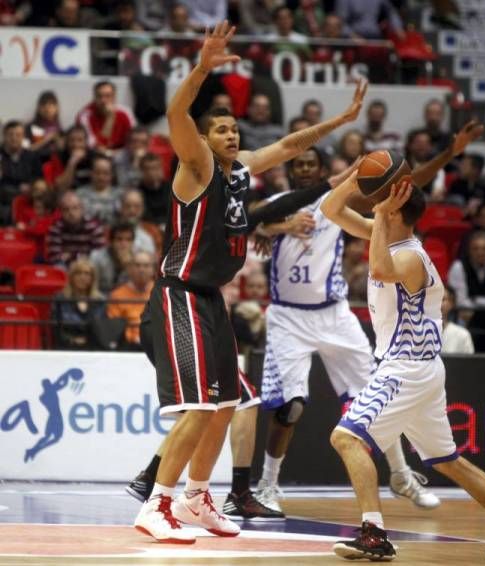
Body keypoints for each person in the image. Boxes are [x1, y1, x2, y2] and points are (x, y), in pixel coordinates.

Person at [132, 20, 368, 543]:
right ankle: (157, 503)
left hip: (212, 299)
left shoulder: (239, 170)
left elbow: (287, 145)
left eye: (235, 129)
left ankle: (196, 497)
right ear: (202, 138)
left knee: (227, 405)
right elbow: (176, 114)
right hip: (181, 295)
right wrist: (201, 68)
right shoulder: (194, 166)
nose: (232, 134)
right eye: (221, 129)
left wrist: (342, 119)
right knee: (197, 407)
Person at [320, 176, 485, 561]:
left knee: (346, 438)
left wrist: (378, 210)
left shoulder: (408, 256)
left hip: (405, 368)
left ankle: (373, 533)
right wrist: (359, 177)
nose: (375, 206)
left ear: (396, 212)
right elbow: (331, 210)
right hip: (421, 369)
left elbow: (377, 269)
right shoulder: (387, 237)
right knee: (450, 462)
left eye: (383, 204)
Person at [256, 147, 441, 516]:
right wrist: (279, 226)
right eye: (299, 165)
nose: (305, 169)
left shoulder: (333, 200)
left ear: (324, 169)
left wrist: (446, 154)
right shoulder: (278, 203)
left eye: (312, 164)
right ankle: (267, 485)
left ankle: (402, 476)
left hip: (335, 314)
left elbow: (399, 188)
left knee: (377, 395)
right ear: (290, 171)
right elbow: (244, 222)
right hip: (288, 317)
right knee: (290, 406)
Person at [52, 258, 106, 350]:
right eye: (78, 273)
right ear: (71, 277)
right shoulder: (60, 299)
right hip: (67, 347)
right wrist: (72, 340)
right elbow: (56, 328)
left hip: (94, 348)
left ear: (92, 278)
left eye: (87, 274)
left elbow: (103, 329)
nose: (82, 277)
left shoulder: (100, 301)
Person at [448, 230, 485, 309]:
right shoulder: (458, 267)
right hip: (467, 312)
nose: (480, 253)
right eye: (475, 248)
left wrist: (477, 301)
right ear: (469, 250)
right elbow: (460, 300)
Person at [107, 250, 155, 347]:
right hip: (127, 346)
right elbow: (115, 327)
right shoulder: (117, 295)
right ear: (129, 269)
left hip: (156, 344)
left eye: (146, 266)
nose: (141, 269)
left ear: (153, 270)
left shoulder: (161, 292)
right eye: (137, 265)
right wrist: (134, 338)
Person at [46, 191, 105, 266]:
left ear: (82, 209)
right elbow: (54, 257)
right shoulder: (56, 228)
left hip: (88, 267)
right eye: (66, 209)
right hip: (66, 266)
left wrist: (71, 256)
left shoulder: (94, 227)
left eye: (75, 208)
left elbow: (99, 257)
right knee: (58, 266)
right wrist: (81, 256)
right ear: (61, 212)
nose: (71, 213)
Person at [0, 121, 42, 225]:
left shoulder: (32, 156)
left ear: (23, 137)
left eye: (18, 135)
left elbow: (39, 177)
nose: (14, 138)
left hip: (28, 194)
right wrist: (19, 186)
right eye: (10, 135)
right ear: (4, 136)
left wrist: (31, 186)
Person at [76, 80, 135, 151]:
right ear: (94, 97)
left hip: (121, 152)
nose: (103, 100)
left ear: (114, 97)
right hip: (96, 154)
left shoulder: (125, 112)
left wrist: (116, 153)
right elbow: (95, 147)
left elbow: (133, 140)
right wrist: (110, 118)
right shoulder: (85, 115)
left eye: (108, 96)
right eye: (99, 96)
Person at [90, 222, 136, 294]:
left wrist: (129, 267)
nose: (124, 244)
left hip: (128, 301)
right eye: (119, 239)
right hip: (101, 300)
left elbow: (138, 289)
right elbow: (92, 287)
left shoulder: (138, 259)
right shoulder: (97, 257)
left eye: (128, 240)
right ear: (111, 242)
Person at [77, 155, 124, 224]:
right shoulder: (79, 195)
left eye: (105, 173)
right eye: (97, 172)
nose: (101, 177)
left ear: (112, 175)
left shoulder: (121, 195)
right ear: (91, 173)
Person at [441, 286, 474, 354]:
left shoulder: (463, 335)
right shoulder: (417, 334)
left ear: (451, 303)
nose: (437, 303)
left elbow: (470, 363)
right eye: (434, 299)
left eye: (442, 299)